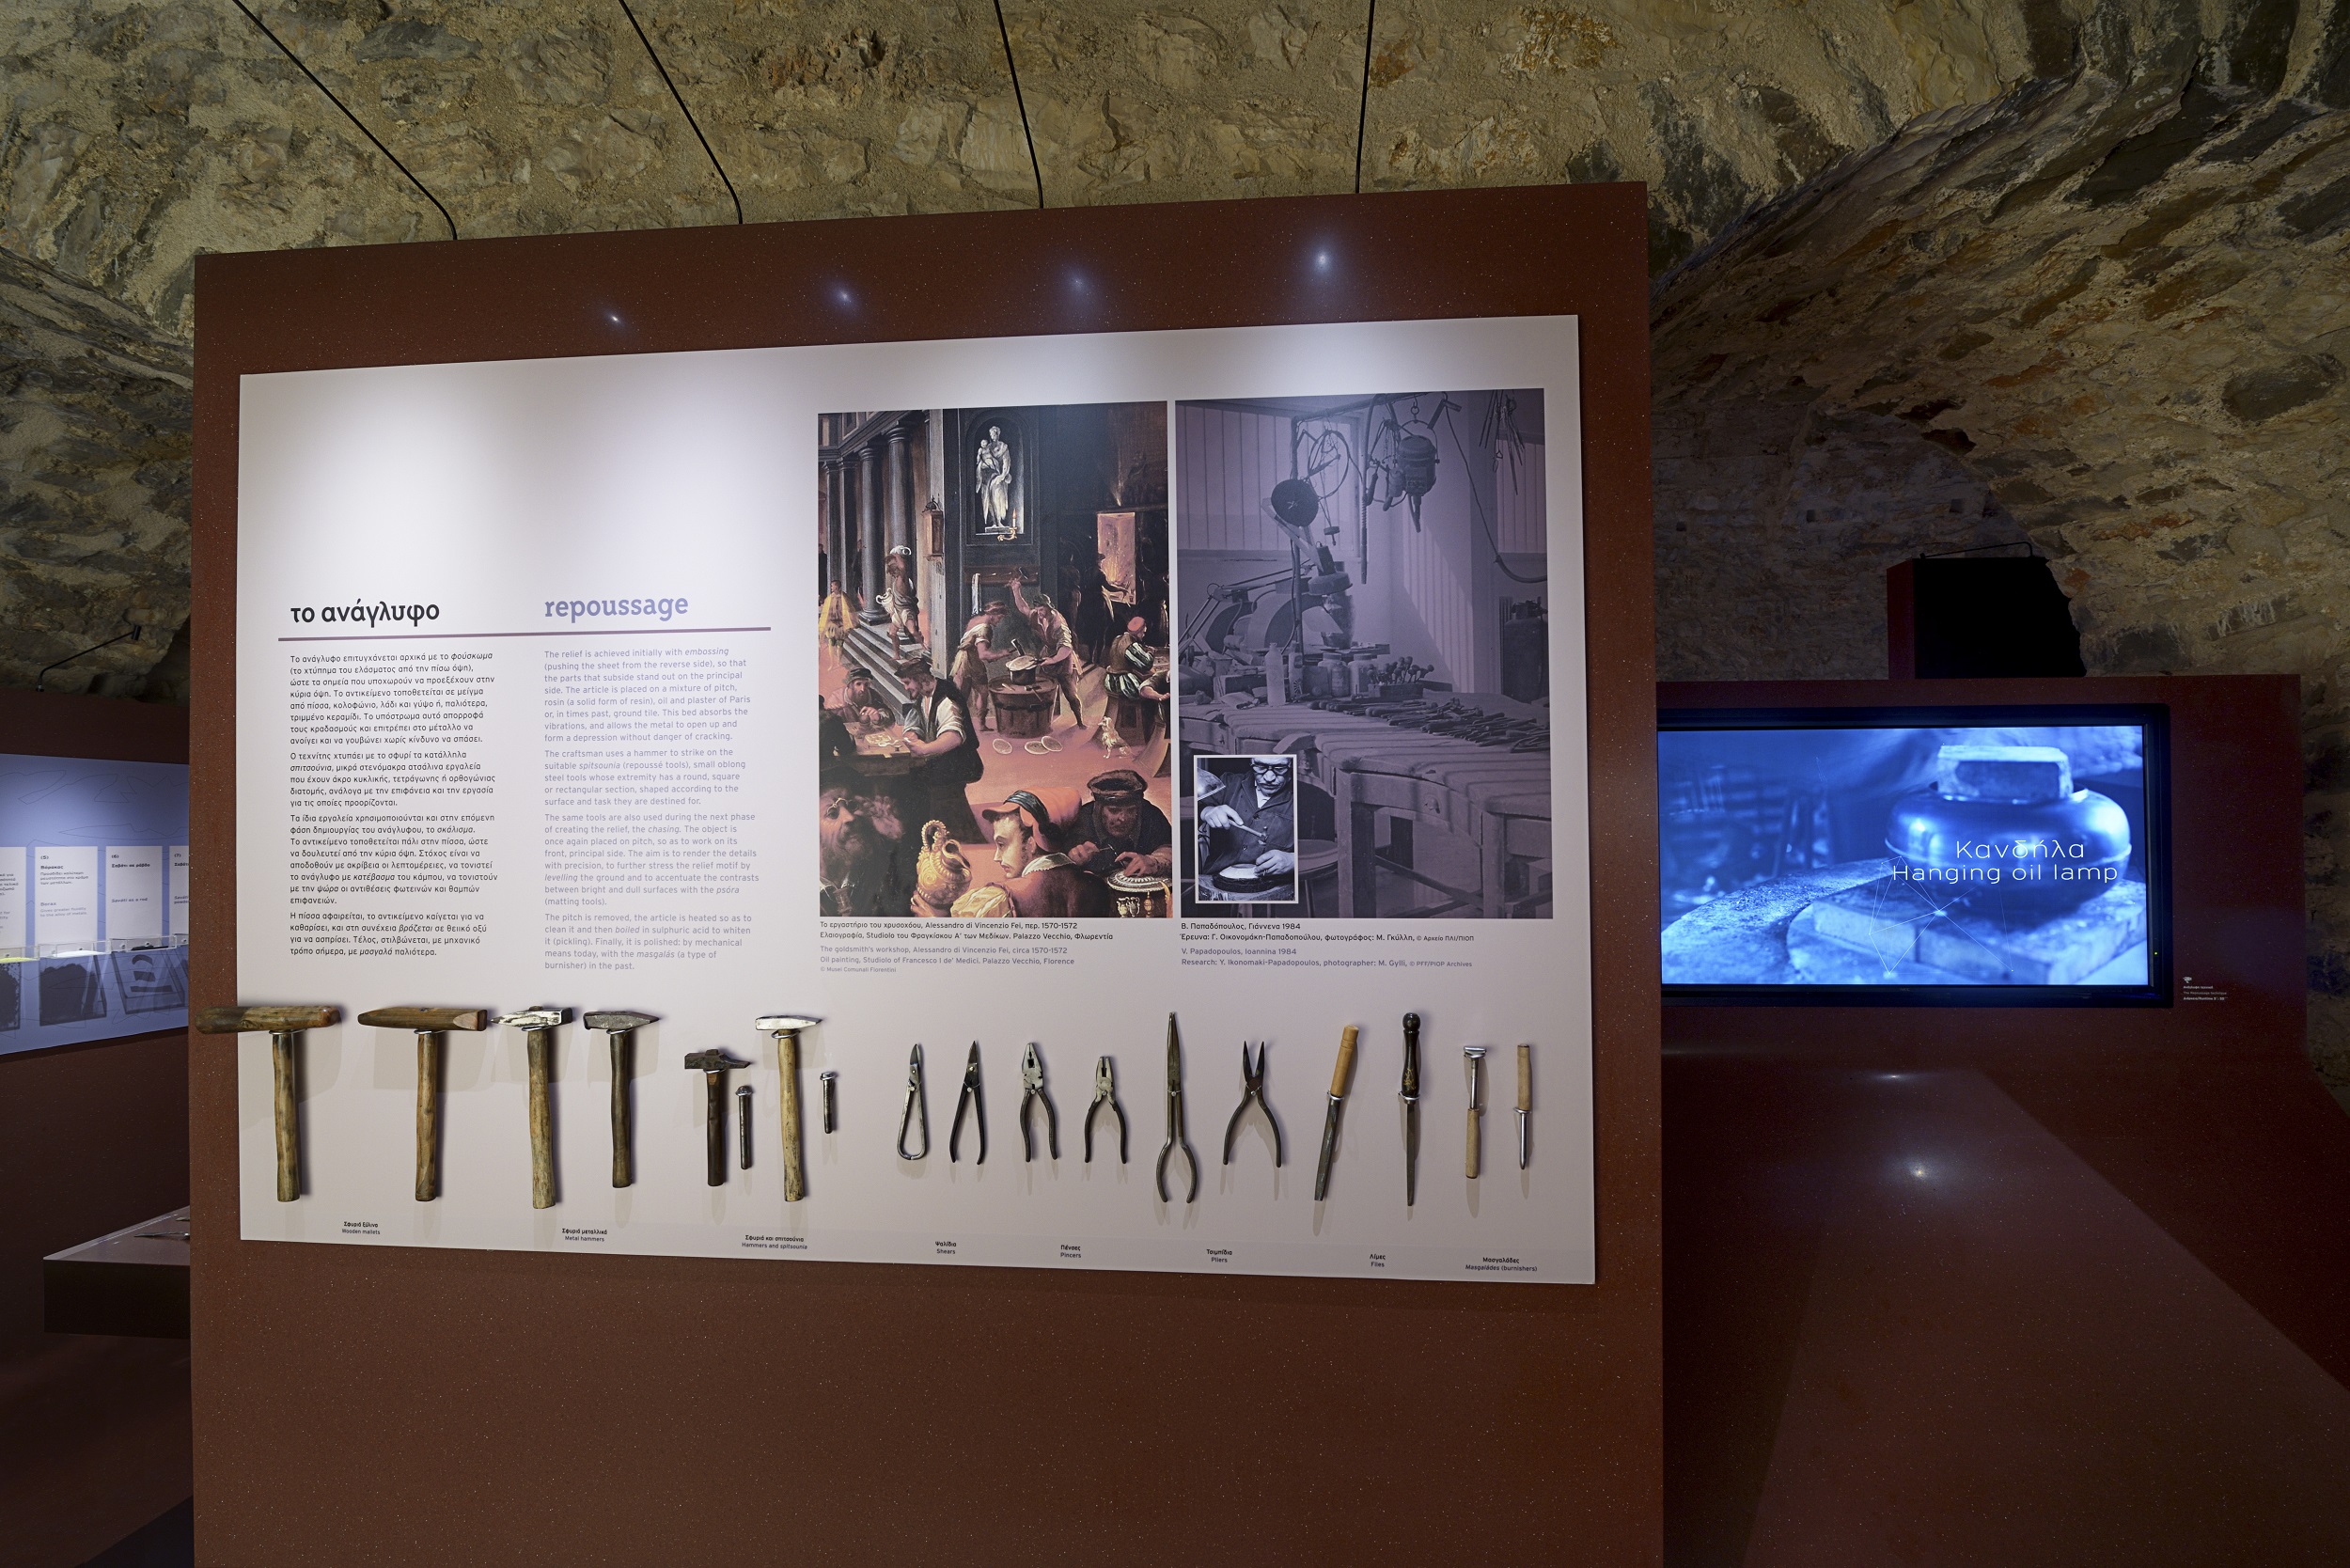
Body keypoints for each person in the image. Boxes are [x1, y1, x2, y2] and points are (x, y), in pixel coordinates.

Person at [950, 789, 1112, 917]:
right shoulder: (1097, 887)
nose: (996, 857)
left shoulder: (999, 899)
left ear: (1031, 844)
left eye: (1002, 844)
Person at [897, 652, 983, 841]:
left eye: (907, 683)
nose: (906, 688)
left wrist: (924, 749)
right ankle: (923, 831)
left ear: (920, 679)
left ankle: (940, 834)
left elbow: (953, 738)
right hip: (942, 759)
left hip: (960, 762)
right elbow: (914, 723)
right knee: (908, 776)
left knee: (918, 779)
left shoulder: (947, 698)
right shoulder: (924, 696)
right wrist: (913, 735)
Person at [1199, 755, 1298, 894]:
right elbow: (1182, 810)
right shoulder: (1228, 783)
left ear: (1291, 765)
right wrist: (1205, 811)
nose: (1269, 777)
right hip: (1215, 882)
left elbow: (1323, 851)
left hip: (1272, 887)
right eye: (1261, 767)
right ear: (1251, 762)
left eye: (1279, 768)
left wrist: (1295, 860)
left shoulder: (1304, 796)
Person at [818, 767, 904, 916]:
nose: (850, 817)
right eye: (832, 813)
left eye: (851, 806)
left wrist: (896, 836)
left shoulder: (877, 873)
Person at [1067, 768, 1173, 881]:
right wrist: (1072, 861)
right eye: (1114, 810)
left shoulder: (1151, 815)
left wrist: (1155, 861)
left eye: (1131, 810)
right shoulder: (1082, 820)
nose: (1123, 818)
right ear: (1098, 809)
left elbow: (1174, 849)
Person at [1013, 580, 1085, 730]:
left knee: (1071, 694)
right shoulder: (1037, 616)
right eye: (1037, 609)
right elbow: (1023, 608)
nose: (1039, 612)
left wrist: (1053, 659)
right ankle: (1044, 721)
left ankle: (1080, 721)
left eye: (1041, 609)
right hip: (1048, 655)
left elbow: (1066, 648)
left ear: (1049, 607)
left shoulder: (1059, 624)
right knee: (1042, 689)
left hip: (1064, 660)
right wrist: (1016, 590)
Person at [828, 665, 893, 729]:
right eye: (858, 684)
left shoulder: (873, 695)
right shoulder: (836, 698)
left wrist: (879, 716)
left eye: (866, 684)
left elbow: (889, 717)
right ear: (850, 685)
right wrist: (831, 714)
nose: (863, 689)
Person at [883, 545, 921, 650]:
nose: (891, 573)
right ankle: (896, 655)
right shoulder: (896, 581)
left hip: (905, 611)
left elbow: (902, 567)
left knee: (913, 631)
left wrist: (896, 555)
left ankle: (923, 645)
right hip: (898, 611)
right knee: (892, 633)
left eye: (893, 570)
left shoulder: (902, 578)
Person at [818, 579, 855, 660]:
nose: (831, 587)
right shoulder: (829, 598)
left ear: (836, 586)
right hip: (832, 625)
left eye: (832, 586)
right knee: (831, 644)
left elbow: (850, 609)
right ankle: (832, 662)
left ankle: (838, 662)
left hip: (841, 625)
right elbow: (825, 612)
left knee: (840, 645)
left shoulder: (844, 597)